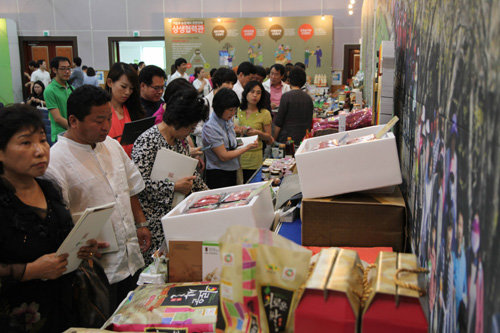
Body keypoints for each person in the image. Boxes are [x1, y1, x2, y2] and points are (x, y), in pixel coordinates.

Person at [44, 85, 151, 309]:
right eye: (98, 121)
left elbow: (129, 187)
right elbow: (57, 224)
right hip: (96, 268)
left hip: (130, 256)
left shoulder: (111, 145)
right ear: (73, 120)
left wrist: (141, 222)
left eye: (109, 118)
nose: (106, 127)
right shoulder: (56, 162)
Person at [0, 104, 97, 332]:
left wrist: (81, 250)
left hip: (63, 309)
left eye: (43, 140)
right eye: (26, 142)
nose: (40, 150)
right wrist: (31, 270)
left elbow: (59, 243)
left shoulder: (49, 189)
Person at [132, 89, 209, 264]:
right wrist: (173, 187)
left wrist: (210, 195)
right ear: (176, 121)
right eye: (189, 127)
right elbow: (138, 186)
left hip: (174, 217)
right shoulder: (147, 141)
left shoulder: (178, 141)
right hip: (152, 224)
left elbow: (191, 175)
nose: (189, 132)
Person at [202, 88, 258, 189]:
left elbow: (230, 142)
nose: (233, 113)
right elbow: (223, 155)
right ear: (220, 108)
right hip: (218, 174)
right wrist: (246, 148)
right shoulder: (210, 127)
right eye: (230, 110)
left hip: (232, 168)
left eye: (235, 110)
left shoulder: (226, 119)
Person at [106, 62, 145, 157]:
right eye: (123, 87)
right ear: (110, 82)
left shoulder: (133, 109)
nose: (127, 92)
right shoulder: (100, 111)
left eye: (131, 89)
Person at [237, 81, 273, 182]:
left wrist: (258, 133)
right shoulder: (237, 110)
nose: (255, 95)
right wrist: (239, 130)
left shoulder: (264, 113)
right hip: (237, 156)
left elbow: (268, 136)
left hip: (255, 157)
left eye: (258, 93)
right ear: (246, 93)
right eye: (252, 92)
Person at [192, 67, 237, 147]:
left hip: (226, 147)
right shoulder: (205, 102)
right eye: (227, 82)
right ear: (217, 83)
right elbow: (195, 128)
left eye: (232, 83)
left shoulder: (229, 101)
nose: (230, 86)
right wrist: (213, 133)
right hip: (207, 148)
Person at [273, 67, 313, 144]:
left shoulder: (286, 96)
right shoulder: (308, 98)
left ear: (289, 80)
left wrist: (273, 139)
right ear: (303, 81)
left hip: (287, 139)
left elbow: (279, 121)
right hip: (304, 138)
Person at [44, 56, 73, 143]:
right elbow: (57, 118)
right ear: (54, 70)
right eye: (63, 69)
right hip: (60, 136)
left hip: (73, 134)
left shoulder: (72, 88)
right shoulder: (50, 90)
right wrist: (76, 129)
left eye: (68, 68)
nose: (67, 71)